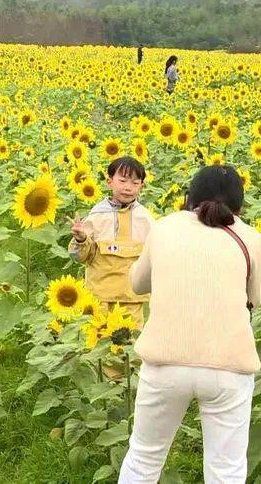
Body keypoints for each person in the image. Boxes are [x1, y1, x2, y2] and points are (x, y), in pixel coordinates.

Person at [119, 165, 261, 483]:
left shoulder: (164, 228)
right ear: (239, 206)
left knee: (144, 457)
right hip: (229, 366)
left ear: (189, 198)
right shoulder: (250, 237)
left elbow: (137, 283)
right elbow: (255, 298)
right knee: (226, 470)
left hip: (165, 362)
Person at [70, 157, 154, 378]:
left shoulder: (146, 219)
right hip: (100, 298)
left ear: (142, 186)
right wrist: (80, 239)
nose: (128, 187)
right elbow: (81, 256)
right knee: (99, 348)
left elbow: (154, 256)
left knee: (130, 351)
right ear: (110, 181)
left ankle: (126, 394)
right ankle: (101, 394)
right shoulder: (97, 216)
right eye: (123, 180)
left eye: (135, 183)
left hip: (132, 299)